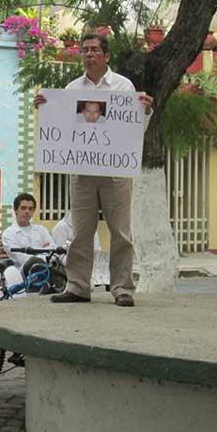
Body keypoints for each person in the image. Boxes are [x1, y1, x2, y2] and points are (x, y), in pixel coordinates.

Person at [35, 33, 154, 307]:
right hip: (82, 171)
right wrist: (46, 109)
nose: (89, 54)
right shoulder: (71, 89)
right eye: (85, 50)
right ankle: (77, 286)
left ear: (107, 56)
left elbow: (135, 131)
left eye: (95, 50)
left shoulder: (124, 88)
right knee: (80, 231)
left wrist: (144, 112)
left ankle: (122, 288)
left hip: (115, 173)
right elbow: (62, 127)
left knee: (121, 232)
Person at [1, 193, 54, 269]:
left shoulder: (41, 230)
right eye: (23, 208)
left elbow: (53, 250)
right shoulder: (9, 233)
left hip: (46, 271)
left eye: (30, 208)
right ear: (15, 210)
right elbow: (20, 258)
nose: (27, 211)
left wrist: (43, 254)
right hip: (21, 274)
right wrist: (43, 253)